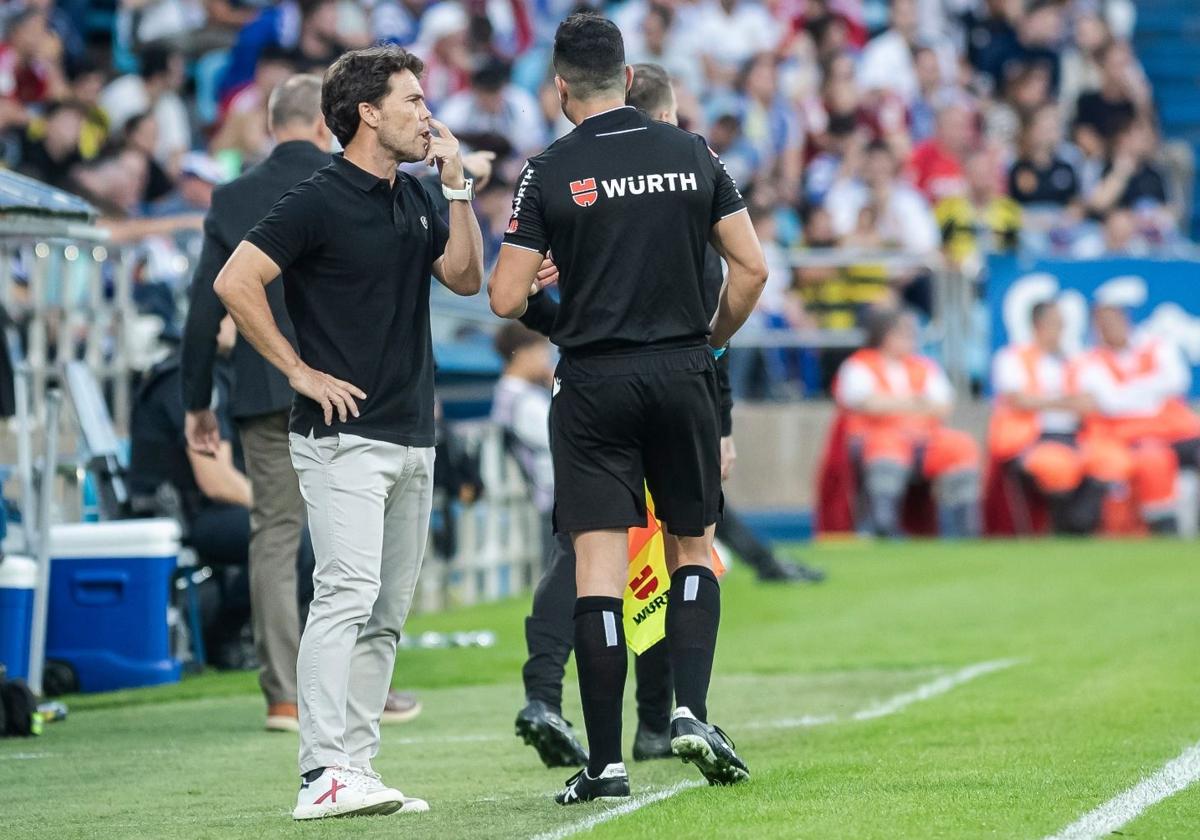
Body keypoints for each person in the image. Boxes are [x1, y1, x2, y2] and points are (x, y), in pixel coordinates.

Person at [488, 15, 767, 804]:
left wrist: (542, 273)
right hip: (680, 370)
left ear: (561, 86)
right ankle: (688, 711)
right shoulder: (693, 152)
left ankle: (606, 764)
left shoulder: (549, 169)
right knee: (691, 548)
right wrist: (707, 342)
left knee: (598, 572)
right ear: (629, 75)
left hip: (593, 384)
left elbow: (504, 296)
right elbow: (750, 269)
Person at [213, 45, 483, 820]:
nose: (426, 113)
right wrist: (297, 370)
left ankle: (355, 769)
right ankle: (319, 771)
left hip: (411, 430)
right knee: (345, 594)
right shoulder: (317, 197)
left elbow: (465, 278)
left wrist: (457, 188)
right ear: (366, 113)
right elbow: (236, 280)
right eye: (410, 100)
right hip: (342, 436)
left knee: (387, 612)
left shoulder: (420, 194)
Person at [183, 74, 419, 733]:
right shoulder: (359, 181)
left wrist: (197, 403)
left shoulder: (232, 197)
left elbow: (205, 311)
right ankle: (367, 688)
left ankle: (284, 694)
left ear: (268, 124)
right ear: (327, 124)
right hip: (357, 391)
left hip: (265, 391)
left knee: (276, 536)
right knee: (364, 549)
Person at [834, 307, 981, 538]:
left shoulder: (924, 366)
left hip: (924, 440)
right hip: (878, 439)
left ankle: (964, 530)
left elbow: (943, 406)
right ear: (884, 335)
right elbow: (865, 404)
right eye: (903, 333)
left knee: (960, 445)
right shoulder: (859, 365)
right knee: (886, 448)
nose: (911, 339)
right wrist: (915, 403)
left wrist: (894, 405)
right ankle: (883, 527)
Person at [988, 300, 1113, 534]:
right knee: (1057, 464)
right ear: (1038, 325)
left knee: (1110, 461)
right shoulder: (1013, 358)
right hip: (1031, 439)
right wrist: (1065, 402)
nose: (1060, 331)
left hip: (1075, 435)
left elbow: (1091, 401)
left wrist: (1049, 402)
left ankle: (1081, 526)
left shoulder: (1073, 360)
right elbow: (1018, 399)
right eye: (1055, 324)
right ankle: (1063, 528)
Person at [1073, 302, 1200, 533]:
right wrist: (1152, 391)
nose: (1109, 328)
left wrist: (1128, 391)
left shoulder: (1157, 346)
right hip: (1132, 439)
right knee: (1153, 460)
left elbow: (1177, 381)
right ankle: (1165, 529)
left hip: (1178, 432)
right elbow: (1109, 402)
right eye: (1102, 324)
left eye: (1113, 321)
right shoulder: (1089, 362)